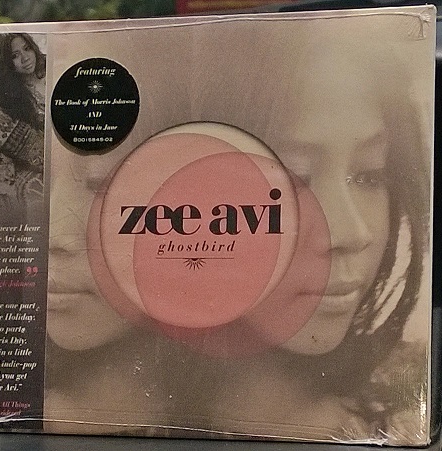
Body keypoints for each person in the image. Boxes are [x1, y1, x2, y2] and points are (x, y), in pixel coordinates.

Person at [44, 12, 432, 445]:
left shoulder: (402, 411)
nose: (350, 233)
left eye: (369, 175)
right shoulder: (25, 405)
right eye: (296, 176)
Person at [0, 32, 45, 219]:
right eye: (15, 56)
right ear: (6, 63)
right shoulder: (7, 92)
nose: (25, 58)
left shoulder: (54, 67)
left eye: (27, 49)